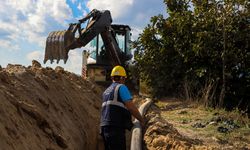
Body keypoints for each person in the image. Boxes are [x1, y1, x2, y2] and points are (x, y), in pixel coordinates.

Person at [100, 65, 145, 150]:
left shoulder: (106, 91)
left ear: (112, 77)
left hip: (104, 128)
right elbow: (131, 107)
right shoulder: (121, 87)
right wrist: (141, 120)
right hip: (115, 128)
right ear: (122, 78)